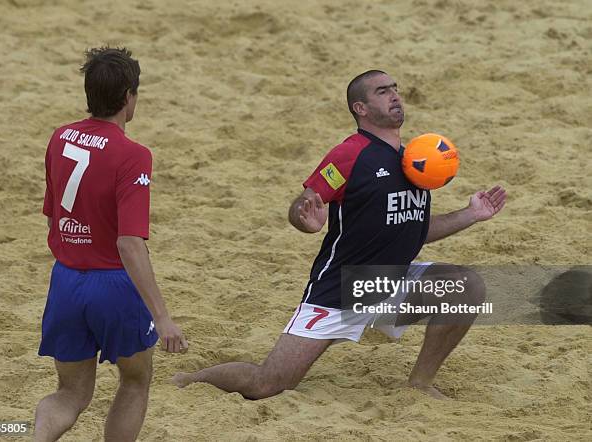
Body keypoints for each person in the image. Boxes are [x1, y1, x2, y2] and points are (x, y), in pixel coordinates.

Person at [172, 69, 506, 400]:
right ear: (360, 108)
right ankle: (190, 379)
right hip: (341, 289)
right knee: (267, 384)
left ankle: (420, 382)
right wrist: (307, 219)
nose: (394, 96)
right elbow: (303, 204)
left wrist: (471, 215)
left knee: (467, 285)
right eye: (382, 91)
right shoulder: (350, 154)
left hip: (390, 282)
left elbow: (414, 231)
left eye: (394, 88)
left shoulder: (414, 160)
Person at [34, 47, 187, 442]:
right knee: (135, 381)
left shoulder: (60, 137)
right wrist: (163, 315)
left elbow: (53, 217)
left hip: (66, 281)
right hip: (114, 286)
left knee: (69, 394)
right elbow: (130, 244)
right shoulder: (133, 155)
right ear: (128, 97)